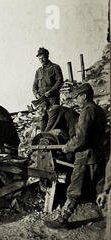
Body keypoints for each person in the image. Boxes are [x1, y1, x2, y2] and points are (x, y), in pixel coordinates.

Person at [45, 83, 107, 229]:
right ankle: (107, 216)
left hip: (84, 157)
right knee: (101, 187)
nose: (76, 101)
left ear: (84, 96)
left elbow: (81, 138)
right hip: (97, 155)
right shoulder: (98, 110)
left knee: (74, 189)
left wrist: (68, 147)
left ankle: (62, 220)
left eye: (77, 97)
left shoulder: (86, 110)